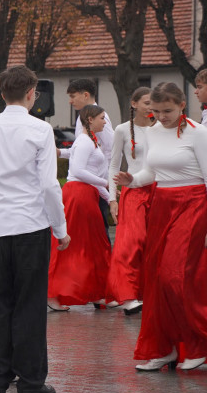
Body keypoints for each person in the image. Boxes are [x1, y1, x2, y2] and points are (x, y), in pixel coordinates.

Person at [0, 65, 67, 393]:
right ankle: (31, 383)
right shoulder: (40, 130)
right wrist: (61, 228)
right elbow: (49, 186)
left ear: (1, 94)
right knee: (30, 306)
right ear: (31, 93)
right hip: (31, 226)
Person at [115, 82, 207, 372]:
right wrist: (133, 180)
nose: (161, 116)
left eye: (167, 110)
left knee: (174, 276)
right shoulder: (152, 132)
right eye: (155, 111)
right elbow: (151, 172)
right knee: (154, 280)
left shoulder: (199, 133)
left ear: (182, 105)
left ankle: (197, 343)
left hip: (193, 204)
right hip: (161, 204)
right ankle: (164, 347)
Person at [47, 105, 112, 311]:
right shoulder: (85, 141)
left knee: (93, 244)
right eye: (102, 118)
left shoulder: (89, 140)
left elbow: (91, 176)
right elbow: (78, 171)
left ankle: (95, 291)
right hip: (79, 196)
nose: (105, 121)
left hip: (84, 194)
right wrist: (106, 185)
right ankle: (55, 293)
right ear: (90, 119)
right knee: (80, 244)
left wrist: (110, 199)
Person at [106, 88, 156, 315]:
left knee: (154, 245)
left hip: (159, 191)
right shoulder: (122, 130)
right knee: (130, 244)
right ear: (134, 104)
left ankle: (150, 293)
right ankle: (127, 296)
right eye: (146, 102)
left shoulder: (161, 127)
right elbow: (114, 166)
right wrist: (111, 198)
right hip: (133, 192)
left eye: (153, 103)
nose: (151, 107)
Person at [58, 79, 113, 230]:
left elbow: (110, 148)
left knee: (97, 229)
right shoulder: (83, 118)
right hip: (89, 183)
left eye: (73, 96)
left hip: (93, 183)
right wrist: (60, 152)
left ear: (86, 95)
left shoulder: (99, 117)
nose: (70, 101)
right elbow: (82, 151)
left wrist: (103, 181)